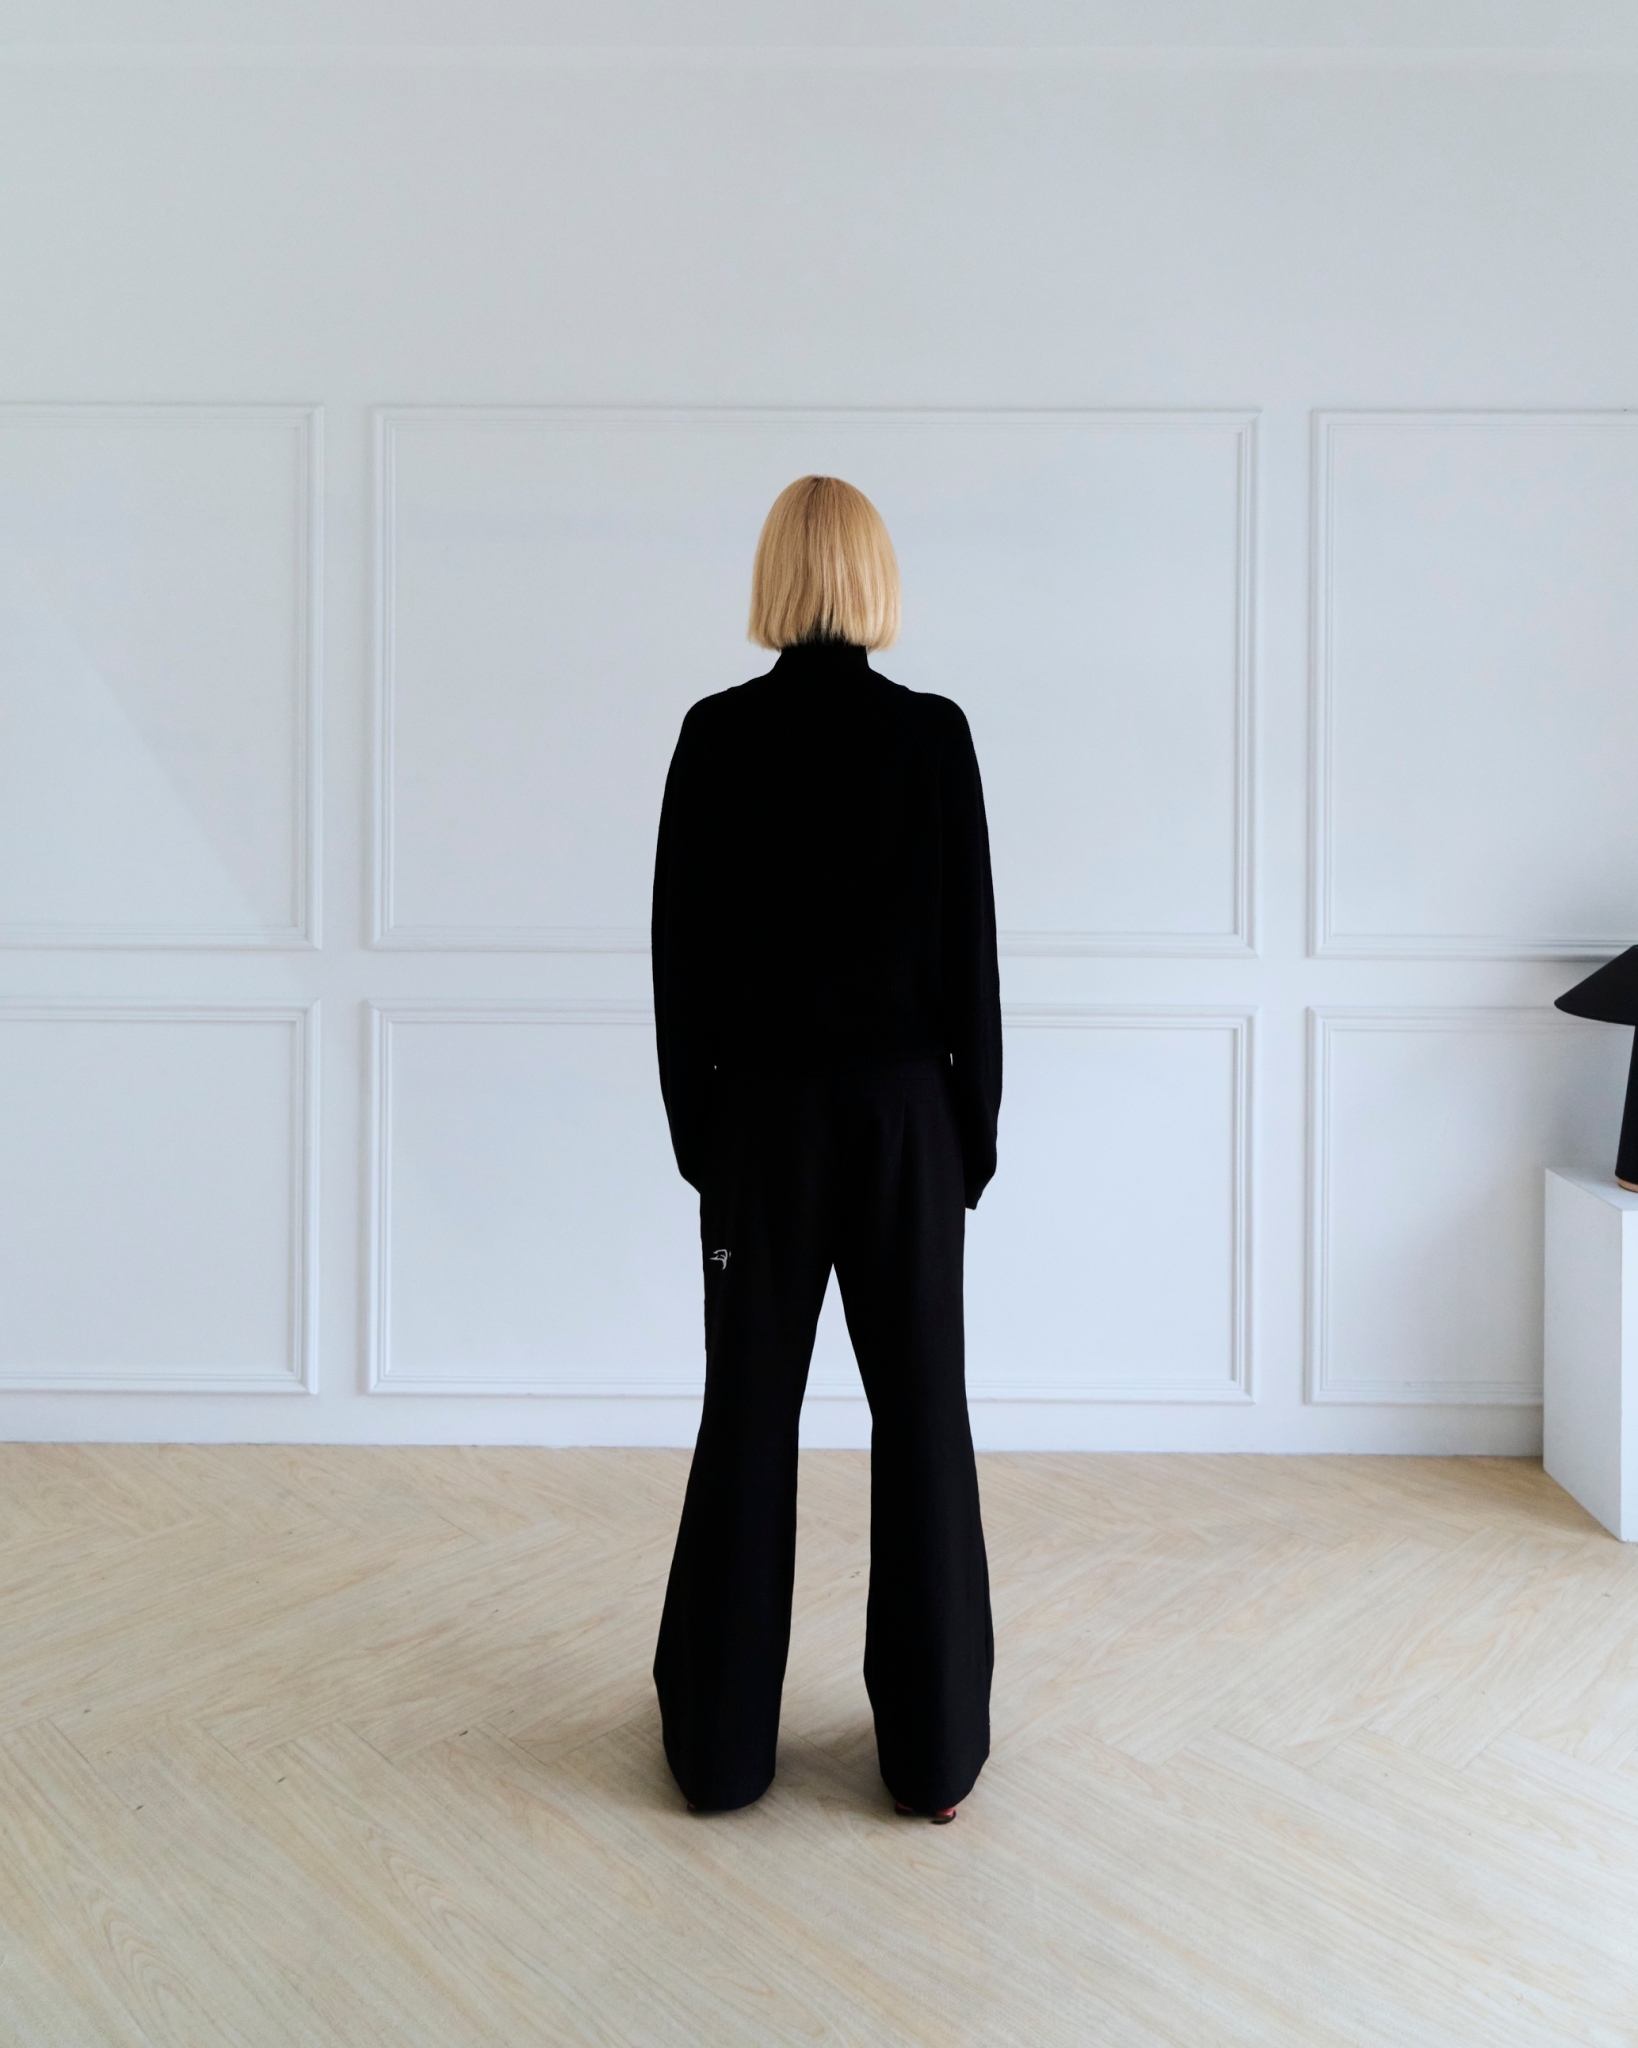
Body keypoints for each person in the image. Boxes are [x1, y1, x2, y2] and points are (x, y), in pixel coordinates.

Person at [649, 474, 1002, 1823]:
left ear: (773, 576)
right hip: (907, 1122)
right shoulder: (932, 737)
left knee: (748, 1417)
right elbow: (971, 965)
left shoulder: (717, 736)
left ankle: (721, 1753)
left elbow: (679, 967)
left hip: (761, 1125)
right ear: (873, 577)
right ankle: (934, 1759)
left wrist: (706, 1142)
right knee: (924, 1423)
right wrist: (967, 1146)